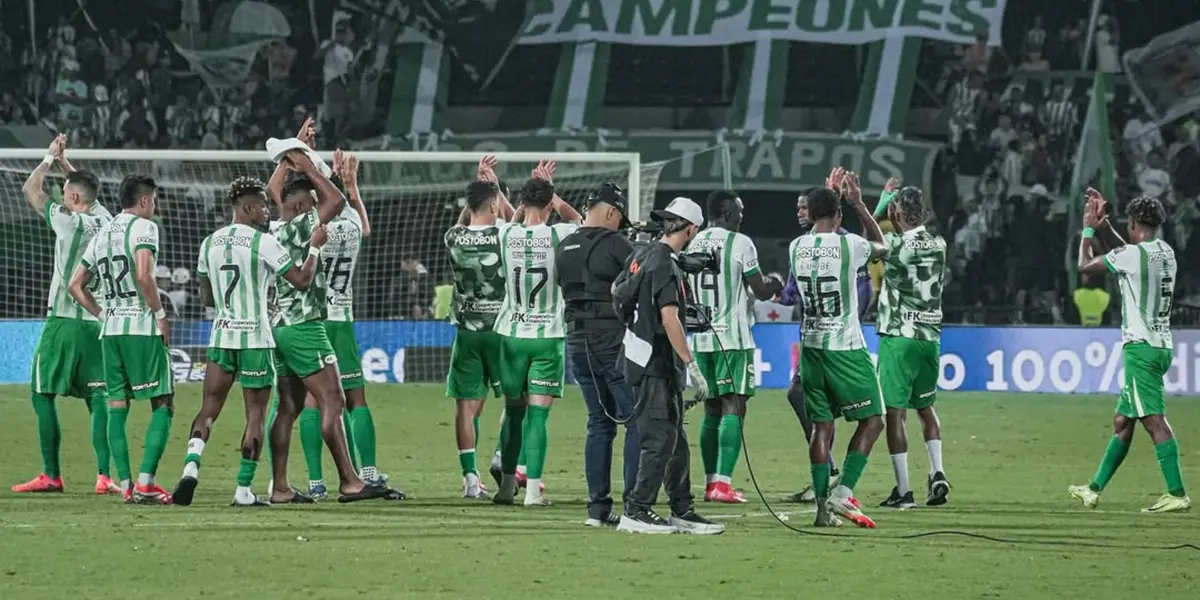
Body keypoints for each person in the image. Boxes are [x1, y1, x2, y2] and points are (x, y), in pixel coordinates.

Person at [171, 177, 324, 507]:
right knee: (255, 416)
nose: (267, 211)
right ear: (249, 207)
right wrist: (314, 247)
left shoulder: (209, 243)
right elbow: (300, 281)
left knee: (208, 409)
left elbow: (206, 296)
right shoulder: (263, 242)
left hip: (222, 336)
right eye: (263, 205)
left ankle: (190, 469)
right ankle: (243, 490)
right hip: (255, 337)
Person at [263, 147, 392, 504]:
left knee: (293, 406)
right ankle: (360, 475)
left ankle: (302, 483)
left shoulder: (275, 230)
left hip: (281, 323)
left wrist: (286, 163)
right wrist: (345, 184)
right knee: (346, 399)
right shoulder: (338, 226)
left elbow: (277, 197)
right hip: (324, 319)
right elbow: (355, 219)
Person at [1069, 190, 1190, 514]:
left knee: (1154, 422)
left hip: (1141, 348)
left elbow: (1084, 266)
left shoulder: (1133, 256)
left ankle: (1177, 493)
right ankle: (1093, 490)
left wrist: (1089, 229)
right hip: (1161, 345)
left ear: (1134, 222)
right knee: (1123, 420)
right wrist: (1105, 223)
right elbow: (1128, 251)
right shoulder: (1164, 252)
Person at [13, 134, 118, 495]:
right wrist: (67, 165)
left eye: (66, 195)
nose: (61, 198)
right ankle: (105, 475)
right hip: (97, 322)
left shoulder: (67, 221)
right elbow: (90, 193)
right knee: (99, 397)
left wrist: (47, 159)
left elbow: (31, 190)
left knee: (41, 393)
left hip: (64, 321)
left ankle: (51, 474)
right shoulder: (107, 221)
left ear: (72, 199)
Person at [613, 197, 722, 535]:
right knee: (660, 438)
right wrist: (692, 365)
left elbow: (615, 289)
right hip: (656, 361)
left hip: (641, 354)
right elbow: (670, 318)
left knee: (675, 438)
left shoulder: (643, 253)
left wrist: (636, 322)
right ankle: (637, 509)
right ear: (691, 229)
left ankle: (682, 508)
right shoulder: (664, 263)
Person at [786, 171, 888, 528]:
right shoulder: (850, 246)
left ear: (810, 216)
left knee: (821, 427)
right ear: (839, 215)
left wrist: (829, 198)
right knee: (874, 419)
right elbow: (882, 247)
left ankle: (820, 510)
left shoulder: (795, 247)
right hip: (845, 347)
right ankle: (843, 493)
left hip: (811, 347)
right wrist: (859, 202)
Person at [67, 173, 175, 504]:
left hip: (110, 331)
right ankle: (146, 482)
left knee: (117, 406)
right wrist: (159, 314)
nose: (154, 206)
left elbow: (75, 285)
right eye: (153, 200)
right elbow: (143, 274)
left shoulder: (103, 233)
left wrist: (103, 314)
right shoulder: (145, 228)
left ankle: (127, 486)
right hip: (140, 328)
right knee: (163, 403)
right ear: (144, 200)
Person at [491, 159, 583, 506]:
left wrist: (521, 207)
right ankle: (532, 492)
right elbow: (580, 221)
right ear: (548, 206)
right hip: (547, 335)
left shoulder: (505, 234)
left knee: (513, 411)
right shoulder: (559, 233)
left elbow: (512, 220)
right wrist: (553, 195)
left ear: (523, 205)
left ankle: (504, 488)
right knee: (538, 415)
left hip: (511, 335)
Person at [687, 190, 782, 503]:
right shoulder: (740, 243)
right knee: (734, 406)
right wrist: (777, 282)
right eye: (739, 212)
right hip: (732, 339)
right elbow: (761, 289)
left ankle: (710, 482)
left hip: (701, 337)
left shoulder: (693, 241)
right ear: (726, 213)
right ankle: (723, 485)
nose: (742, 217)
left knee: (711, 408)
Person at [557, 181, 641, 526]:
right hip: (610, 338)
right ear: (610, 211)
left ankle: (597, 509)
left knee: (599, 423)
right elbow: (641, 280)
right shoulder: (616, 243)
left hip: (577, 341)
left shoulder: (564, 246)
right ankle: (636, 506)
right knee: (637, 420)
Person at [872, 186, 951, 510]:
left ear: (897, 214)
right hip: (930, 339)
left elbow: (871, 238)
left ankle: (903, 490)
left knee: (895, 414)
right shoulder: (939, 244)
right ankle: (937, 471)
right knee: (926, 407)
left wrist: (879, 206)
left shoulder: (893, 245)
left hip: (899, 336)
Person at [445, 155, 516, 499]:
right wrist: (495, 186)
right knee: (517, 401)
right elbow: (518, 222)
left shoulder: (453, 238)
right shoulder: (504, 235)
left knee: (466, 405)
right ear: (493, 204)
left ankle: (470, 480)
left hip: (467, 332)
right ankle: (504, 458)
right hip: (501, 332)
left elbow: (466, 222)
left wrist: (484, 189)